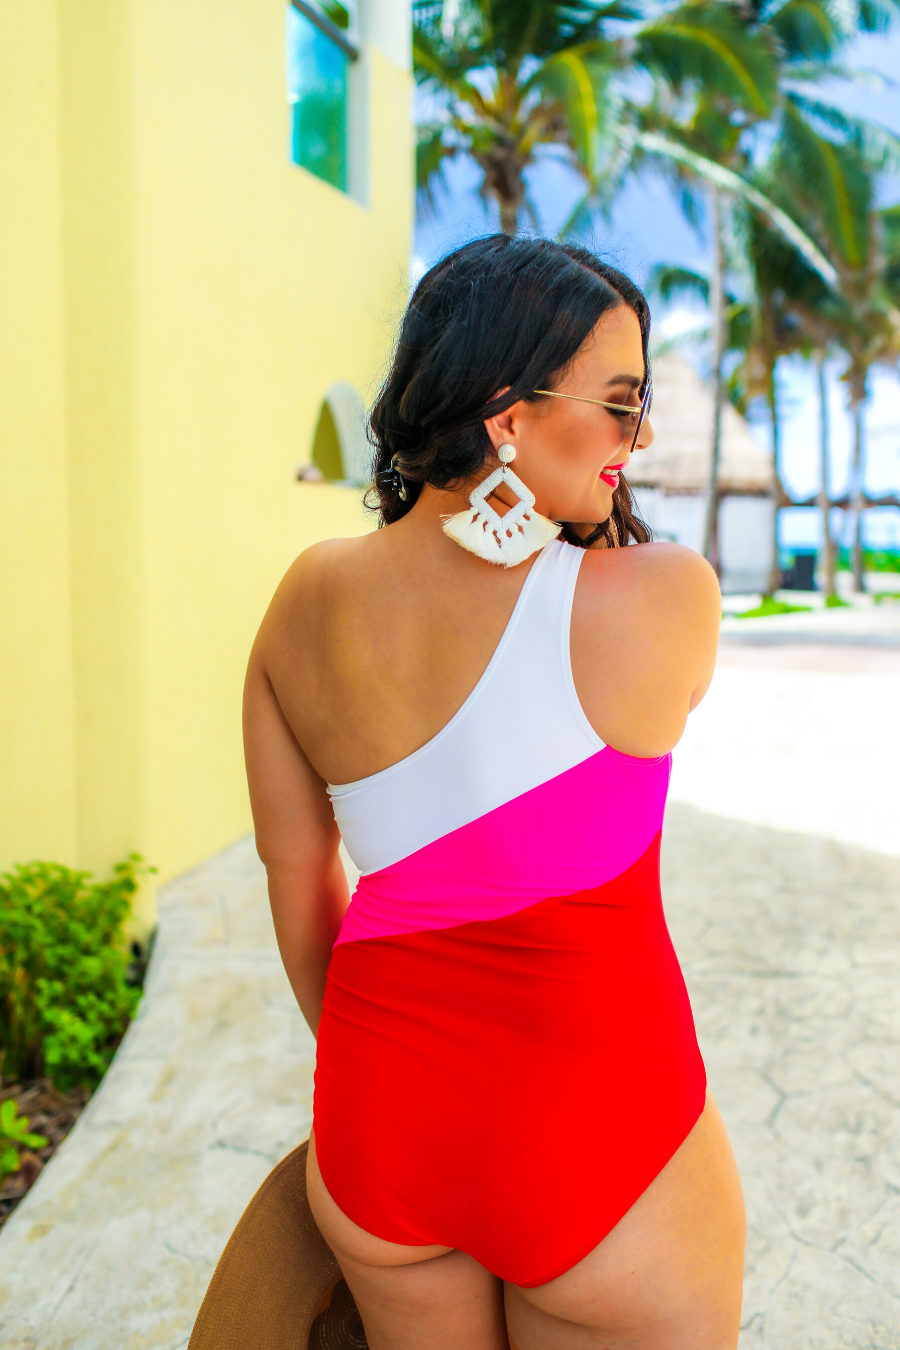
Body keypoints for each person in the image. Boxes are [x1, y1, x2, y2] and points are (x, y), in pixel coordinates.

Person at [242, 234, 746, 1350]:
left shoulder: (305, 598)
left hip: (380, 1133)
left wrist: (391, 1081)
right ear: (508, 416)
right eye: (621, 406)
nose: (639, 440)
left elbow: (297, 876)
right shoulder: (663, 594)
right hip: (599, 1131)